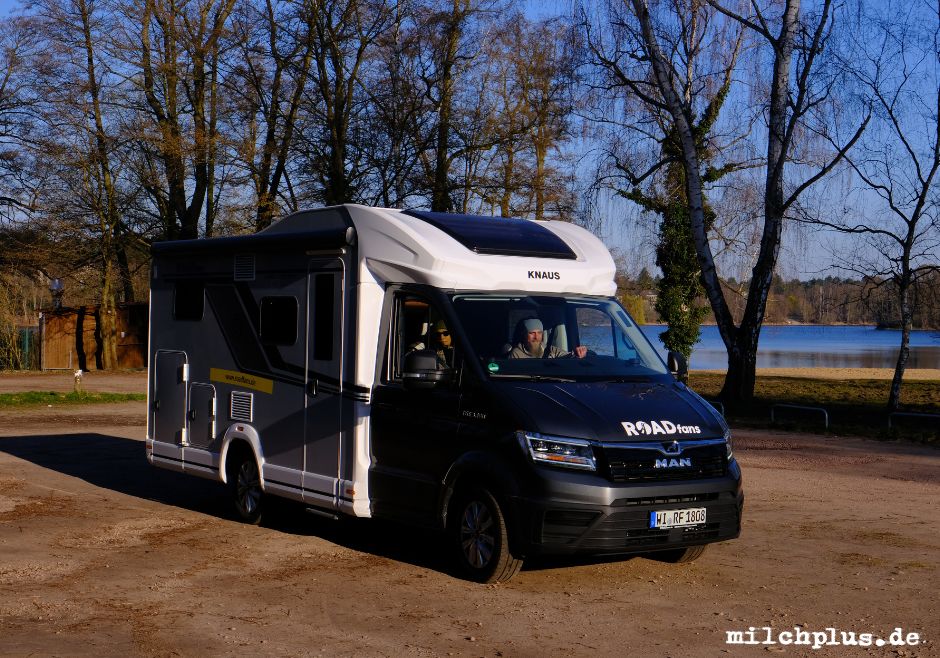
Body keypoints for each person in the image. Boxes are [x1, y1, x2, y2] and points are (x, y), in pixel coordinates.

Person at [508, 318, 587, 359]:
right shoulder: (516, 354)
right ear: (524, 335)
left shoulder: (551, 350)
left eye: (539, 333)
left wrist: (578, 353)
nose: (536, 337)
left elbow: (568, 357)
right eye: (532, 333)